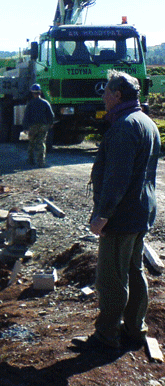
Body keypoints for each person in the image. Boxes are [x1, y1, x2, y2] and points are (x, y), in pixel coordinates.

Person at [74, 70, 160, 353]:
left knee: (111, 278)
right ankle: (135, 330)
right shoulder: (146, 122)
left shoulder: (124, 126)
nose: (102, 97)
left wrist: (103, 214)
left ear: (117, 95)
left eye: (105, 92)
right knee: (134, 272)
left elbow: (118, 176)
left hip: (122, 215)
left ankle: (106, 337)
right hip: (141, 211)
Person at [22, 83, 54, 167]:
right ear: (40, 92)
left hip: (33, 126)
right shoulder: (45, 103)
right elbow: (51, 115)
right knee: (41, 143)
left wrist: (25, 127)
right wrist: (50, 123)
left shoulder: (30, 103)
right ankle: (41, 162)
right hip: (43, 126)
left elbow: (26, 116)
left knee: (31, 143)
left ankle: (30, 160)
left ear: (32, 93)